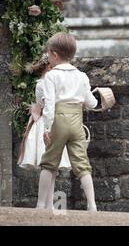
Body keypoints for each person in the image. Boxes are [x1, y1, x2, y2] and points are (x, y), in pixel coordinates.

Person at [36, 33, 98, 211]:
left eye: (48, 53)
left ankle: (41, 205)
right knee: (82, 163)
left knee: (49, 162)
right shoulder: (82, 76)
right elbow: (92, 103)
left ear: (54, 54)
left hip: (59, 119)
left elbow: (49, 106)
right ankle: (92, 205)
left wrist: (47, 128)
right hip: (76, 120)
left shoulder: (51, 76)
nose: (48, 56)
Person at [17, 53, 71, 209]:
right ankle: (42, 204)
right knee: (49, 166)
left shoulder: (47, 82)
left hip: (51, 121)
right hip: (47, 124)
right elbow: (47, 106)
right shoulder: (43, 83)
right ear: (49, 66)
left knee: (52, 168)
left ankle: (49, 204)